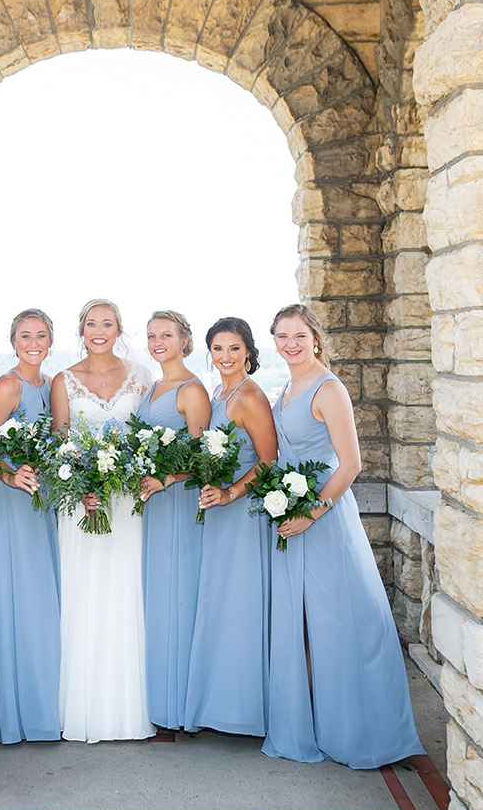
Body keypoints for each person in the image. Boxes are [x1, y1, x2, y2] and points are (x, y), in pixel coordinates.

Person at [263, 303, 423, 769]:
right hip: (294, 515)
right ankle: (322, 721)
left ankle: (366, 731)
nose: (290, 344)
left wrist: (311, 515)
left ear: (316, 337)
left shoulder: (328, 388)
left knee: (346, 620)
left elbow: (350, 463)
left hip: (324, 518)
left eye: (299, 335)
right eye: (282, 336)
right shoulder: (289, 386)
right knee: (311, 624)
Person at [50, 299, 153, 743]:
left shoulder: (141, 375)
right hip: (83, 504)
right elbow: (58, 448)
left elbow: (150, 435)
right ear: (81, 329)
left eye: (107, 323)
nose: (99, 330)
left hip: (129, 503)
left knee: (125, 593)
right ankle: (80, 708)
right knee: (83, 594)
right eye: (91, 323)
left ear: (118, 329)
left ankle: (130, 708)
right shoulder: (64, 381)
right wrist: (82, 487)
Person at [184, 317, 277, 737]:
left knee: (240, 605)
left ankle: (243, 711)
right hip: (219, 511)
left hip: (241, 513)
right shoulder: (220, 393)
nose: (225, 357)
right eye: (218, 349)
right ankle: (217, 703)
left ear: (249, 353)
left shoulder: (250, 397)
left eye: (234, 349)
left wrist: (230, 494)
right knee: (219, 604)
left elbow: (268, 461)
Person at [0, 309, 61, 743]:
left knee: (40, 596)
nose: (34, 342)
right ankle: (17, 710)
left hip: (42, 500)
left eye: (41, 335)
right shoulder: (9, 384)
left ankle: (43, 697)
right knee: (20, 596)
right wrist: (11, 476)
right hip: (12, 501)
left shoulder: (48, 385)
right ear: (13, 342)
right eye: (25, 335)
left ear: (51, 341)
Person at [136, 311, 210, 731]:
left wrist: (166, 478)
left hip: (180, 503)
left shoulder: (191, 390)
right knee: (158, 596)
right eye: (152, 335)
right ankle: (158, 698)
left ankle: (181, 705)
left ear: (185, 340)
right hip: (154, 504)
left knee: (180, 595)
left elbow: (205, 459)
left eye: (167, 335)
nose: (158, 341)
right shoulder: (153, 387)